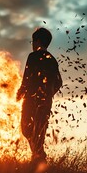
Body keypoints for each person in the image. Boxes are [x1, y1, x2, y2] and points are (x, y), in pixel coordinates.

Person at [16, 27, 62, 162]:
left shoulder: (33, 56)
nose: (32, 44)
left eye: (33, 41)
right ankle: (38, 159)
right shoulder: (52, 60)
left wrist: (20, 93)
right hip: (45, 104)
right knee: (38, 132)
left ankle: (39, 158)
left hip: (31, 101)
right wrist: (48, 95)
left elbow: (27, 78)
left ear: (37, 41)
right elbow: (59, 82)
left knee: (26, 129)